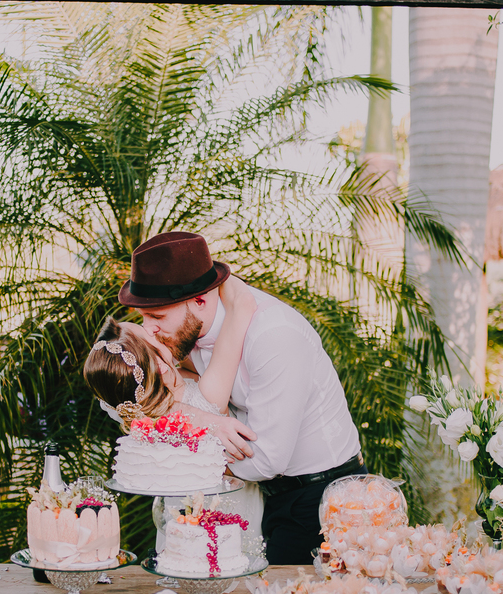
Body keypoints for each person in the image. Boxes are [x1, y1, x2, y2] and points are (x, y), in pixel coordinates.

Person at [117, 231, 366, 565]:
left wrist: (185, 450)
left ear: (201, 300)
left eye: (157, 316)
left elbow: (266, 460)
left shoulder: (274, 336)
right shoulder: (191, 330)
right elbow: (138, 392)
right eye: (143, 316)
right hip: (264, 496)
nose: (148, 330)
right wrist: (205, 421)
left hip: (319, 501)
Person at [83, 275, 264, 547]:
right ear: (160, 367)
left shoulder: (125, 403)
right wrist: (208, 276)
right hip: (226, 521)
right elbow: (243, 304)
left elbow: (114, 391)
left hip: (173, 523)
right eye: (148, 335)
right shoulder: (207, 397)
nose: (152, 329)